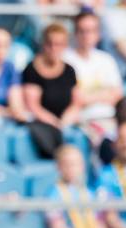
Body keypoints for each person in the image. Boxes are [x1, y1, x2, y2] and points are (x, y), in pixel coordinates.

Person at [23, 23, 80, 159]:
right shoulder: (32, 70)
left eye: (58, 44)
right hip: (43, 123)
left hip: (65, 122)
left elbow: (76, 102)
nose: (54, 48)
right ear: (44, 44)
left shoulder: (69, 70)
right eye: (50, 44)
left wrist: (66, 120)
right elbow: (33, 106)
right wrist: (55, 122)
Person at [63, 11, 122, 127]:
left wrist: (87, 98)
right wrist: (104, 94)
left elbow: (117, 95)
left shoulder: (107, 60)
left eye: (91, 31)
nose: (86, 35)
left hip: (109, 118)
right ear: (75, 33)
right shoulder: (65, 59)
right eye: (82, 31)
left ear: (98, 34)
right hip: (80, 121)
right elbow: (73, 98)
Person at [46, 144, 108, 228]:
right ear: (58, 167)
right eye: (66, 164)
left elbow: (100, 225)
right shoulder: (54, 194)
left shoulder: (88, 193)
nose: (71, 168)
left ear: (82, 166)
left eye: (75, 164)